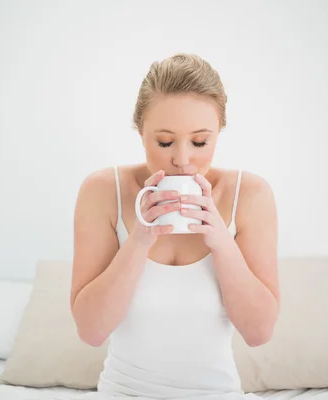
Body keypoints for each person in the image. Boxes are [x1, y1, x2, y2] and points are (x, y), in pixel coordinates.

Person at [70, 53, 280, 400]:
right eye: (165, 142)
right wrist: (139, 240)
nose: (182, 159)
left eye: (200, 142)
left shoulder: (251, 195)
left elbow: (259, 333)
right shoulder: (103, 191)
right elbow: (90, 331)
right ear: (141, 133)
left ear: (218, 134)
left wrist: (221, 241)